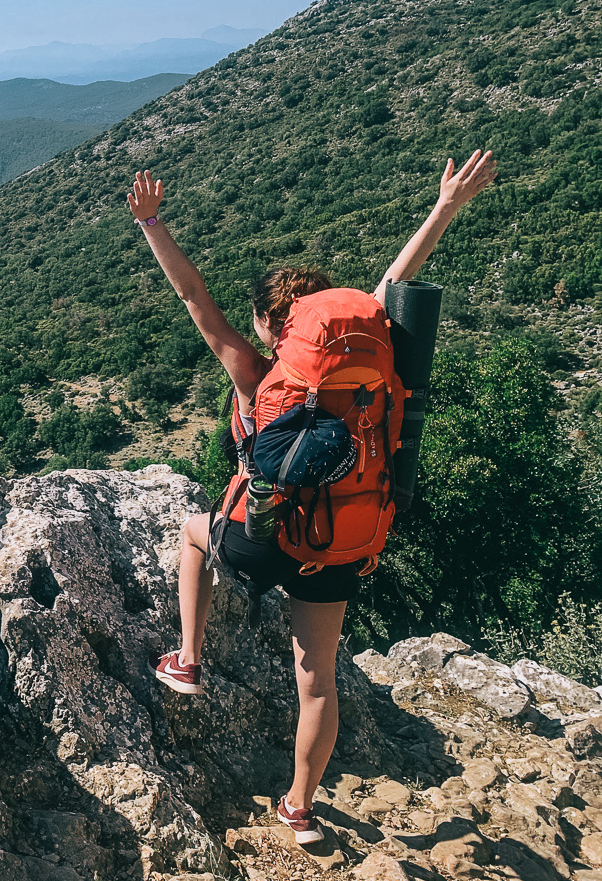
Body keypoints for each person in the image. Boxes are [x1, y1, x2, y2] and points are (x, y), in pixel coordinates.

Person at [127, 149, 496, 844]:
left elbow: (193, 298)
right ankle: (299, 809)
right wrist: (445, 206)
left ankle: (188, 659)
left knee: (191, 532)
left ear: (273, 326)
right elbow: (394, 282)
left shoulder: (256, 373)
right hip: (340, 542)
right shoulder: (366, 373)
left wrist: (152, 224)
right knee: (317, 681)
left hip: (261, 537)